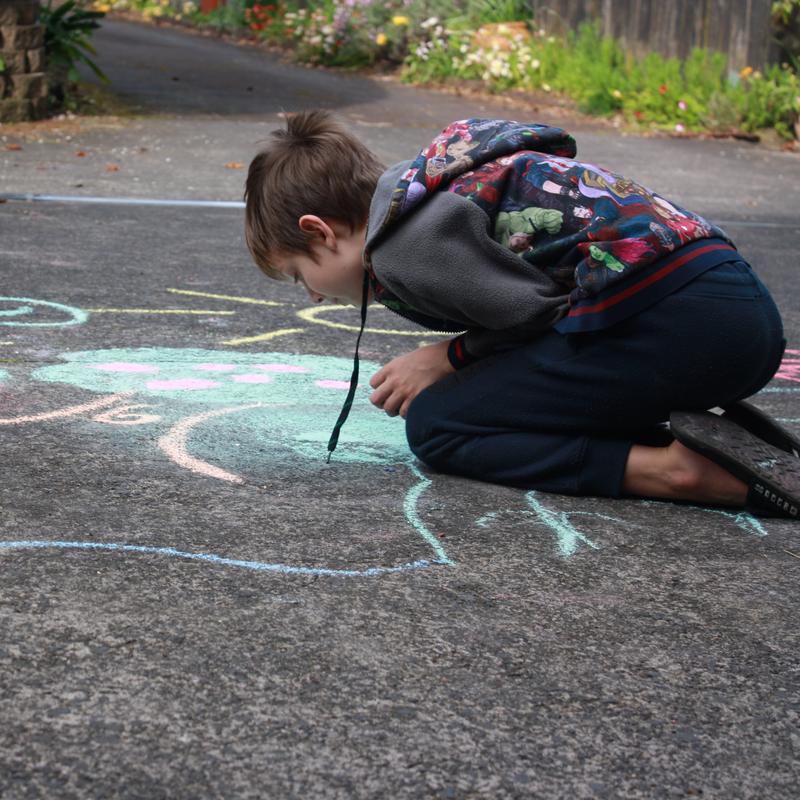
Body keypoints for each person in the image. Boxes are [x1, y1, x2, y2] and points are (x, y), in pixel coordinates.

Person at [243, 111, 799, 517]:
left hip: (682, 326)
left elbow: (535, 314)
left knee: (442, 424)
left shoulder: (402, 247)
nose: (312, 296)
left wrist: (447, 356)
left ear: (320, 230)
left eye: (299, 274)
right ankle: (714, 440)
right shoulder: (440, 187)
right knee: (500, 389)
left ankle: (679, 471)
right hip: (735, 310)